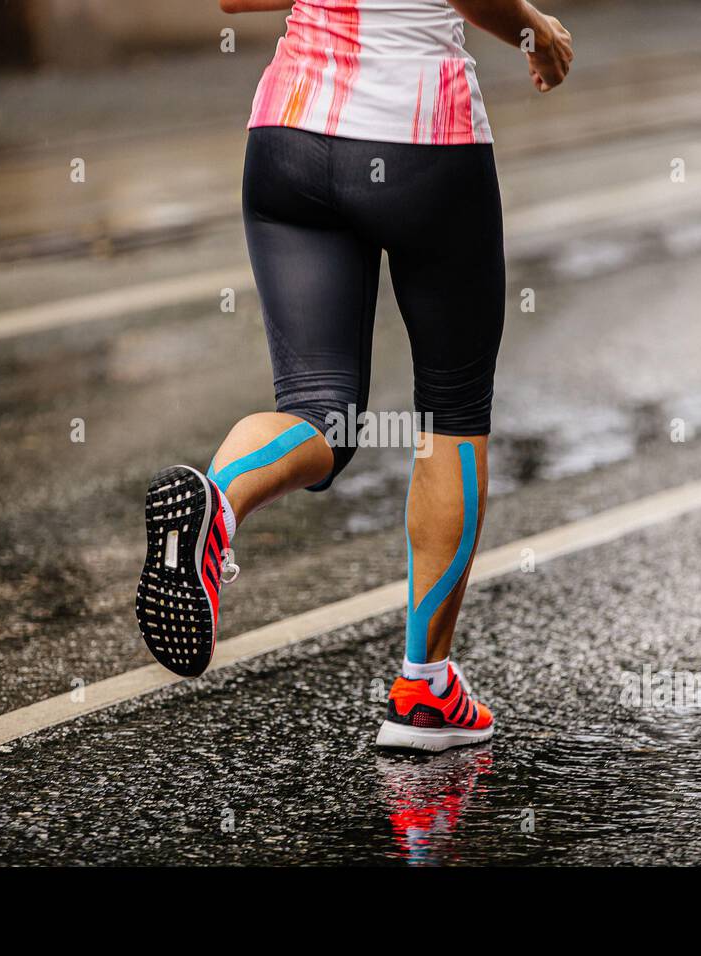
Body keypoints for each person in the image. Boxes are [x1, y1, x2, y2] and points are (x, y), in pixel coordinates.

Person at [135, 0, 573, 751]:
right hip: (421, 140)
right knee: (453, 413)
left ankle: (218, 503)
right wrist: (539, 32)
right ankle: (424, 690)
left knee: (316, 413)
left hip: (289, 140)